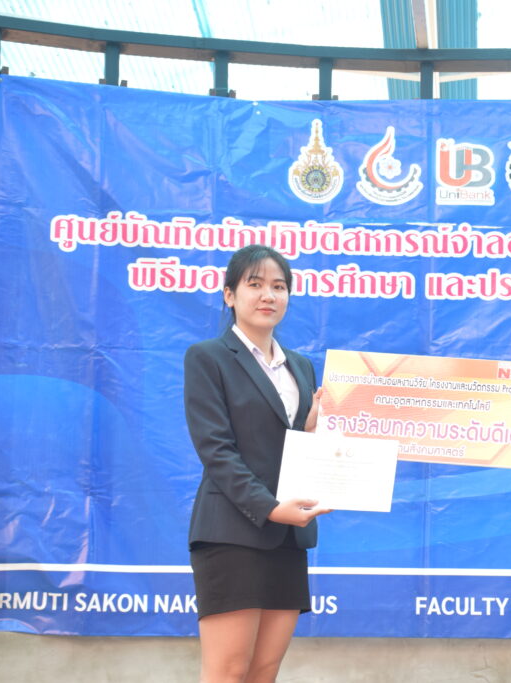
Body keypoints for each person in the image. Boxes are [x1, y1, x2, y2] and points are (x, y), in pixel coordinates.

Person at [183, 243, 330, 683]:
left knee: (264, 671)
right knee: (228, 671)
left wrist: (312, 433)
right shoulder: (207, 357)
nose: (268, 295)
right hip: (232, 531)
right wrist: (270, 507)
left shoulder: (301, 367)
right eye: (255, 284)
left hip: (287, 537)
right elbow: (216, 450)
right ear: (229, 294)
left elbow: (293, 447)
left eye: (279, 286)